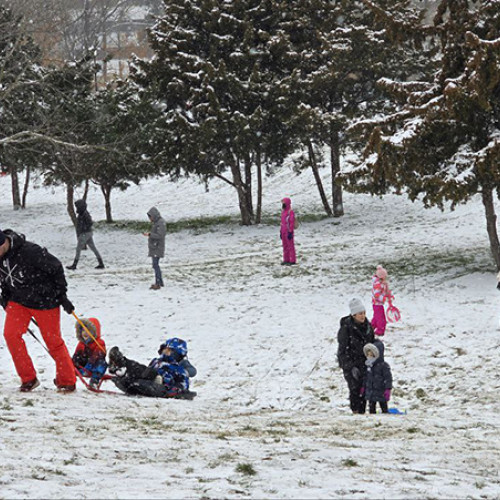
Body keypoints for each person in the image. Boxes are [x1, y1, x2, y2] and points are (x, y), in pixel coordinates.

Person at [0, 228, 76, 392]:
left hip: (44, 301)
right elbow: (4, 279)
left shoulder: (30, 251)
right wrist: (5, 296)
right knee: (11, 335)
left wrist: (62, 295)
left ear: (3, 242)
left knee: (53, 341)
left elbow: (56, 268)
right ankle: (29, 378)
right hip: (18, 301)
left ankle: (67, 380)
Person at [108, 337, 196, 399]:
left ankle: (122, 364)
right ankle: (120, 366)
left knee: (149, 373)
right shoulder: (156, 361)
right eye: (165, 350)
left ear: (177, 354)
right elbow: (146, 371)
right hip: (149, 380)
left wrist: (167, 384)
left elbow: (183, 387)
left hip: (162, 387)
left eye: (169, 351)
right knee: (141, 370)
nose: (165, 353)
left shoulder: (179, 369)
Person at [337, 298, 375, 414]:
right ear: (354, 315)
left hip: (364, 362)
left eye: (364, 313)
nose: (363, 316)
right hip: (351, 363)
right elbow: (342, 350)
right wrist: (349, 366)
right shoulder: (346, 328)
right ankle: (355, 411)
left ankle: (362, 412)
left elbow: (372, 343)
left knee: (364, 388)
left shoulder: (368, 327)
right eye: (360, 314)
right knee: (354, 388)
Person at [67, 199, 105, 270]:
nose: (76, 208)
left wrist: (83, 229)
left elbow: (89, 223)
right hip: (88, 233)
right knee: (93, 248)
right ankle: (101, 263)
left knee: (78, 249)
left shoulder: (84, 214)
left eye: (77, 206)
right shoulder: (83, 213)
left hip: (85, 234)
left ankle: (74, 265)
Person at [72, 317, 107, 389]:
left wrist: (88, 367)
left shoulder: (99, 343)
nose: (85, 333)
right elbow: (76, 354)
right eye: (83, 331)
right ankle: (66, 379)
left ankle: (94, 381)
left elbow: (95, 357)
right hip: (84, 365)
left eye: (88, 331)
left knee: (101, 363)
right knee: (73, 360)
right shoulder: (81, 343)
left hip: (94, 365)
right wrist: (73, 362)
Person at [361, 340, 393, 414]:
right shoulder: (368, 366)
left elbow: (388, 378)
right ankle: (372, 416)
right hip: (371, 391)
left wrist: (387, 389)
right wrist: (364, 386)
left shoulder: (383, 366)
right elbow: (366, 378)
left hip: (381, 391)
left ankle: (385, 414)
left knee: (383, 406)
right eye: (368, 355)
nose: (369, 357)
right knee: (372, 407)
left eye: (371, 355)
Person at [143, 207, 166, 290]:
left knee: (155, 265)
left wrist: (150, 235)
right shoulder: (157, 223)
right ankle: (160, 282)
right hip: (155, 247)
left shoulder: (160, 223)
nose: (150, 219)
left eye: (150, 217)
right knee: (155, 265)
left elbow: (160, 235)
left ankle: (158, 283)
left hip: (157, 247)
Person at [371, 265, 394, 336]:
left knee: (376, 317)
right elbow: (377, 295)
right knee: (381, 318)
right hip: (377, 304)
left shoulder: (383, 283)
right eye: (385, 276)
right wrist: (384, 298)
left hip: (378, 304)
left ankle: (371, 327)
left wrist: (389, 296)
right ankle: (380, 330)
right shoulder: (378, 284)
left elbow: (386, 291)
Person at [280, 197, 296, 265]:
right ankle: (286, 259)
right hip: (283, 231)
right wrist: (280, 231)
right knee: (285, 246)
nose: (282, 204)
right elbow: (282, 222)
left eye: (284, 203)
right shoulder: (283, 212)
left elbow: (291, 223)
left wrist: (290, 231)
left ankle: (292, 260)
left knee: (290, 246)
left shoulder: (290, 212)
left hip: (288, 231)